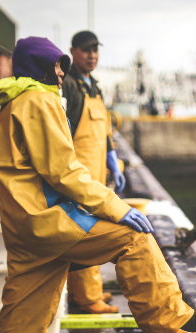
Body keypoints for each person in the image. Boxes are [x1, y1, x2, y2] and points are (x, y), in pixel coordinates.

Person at [0, 36, 196, 333]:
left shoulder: (13, 101)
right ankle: (164, 330)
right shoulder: (39, 99)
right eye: (55, 65)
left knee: (22, 324)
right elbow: (64, 171)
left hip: (23, 229)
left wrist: (109, 159)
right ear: (40, 66)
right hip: (52, 221)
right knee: (133, 238)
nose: (59, 73)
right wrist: (117, 207)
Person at [62, 30, 124, 314]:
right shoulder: (70, 86)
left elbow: (104, 129)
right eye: (86, 50)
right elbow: (63, 132)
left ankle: (89, 291)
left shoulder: (94, 86)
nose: (92, 55)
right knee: (85, 234)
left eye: (95, 50)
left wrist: (111, 155)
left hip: (98, 174)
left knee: (91, 229)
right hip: (79, 177)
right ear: (73, 51)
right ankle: (87, 298)